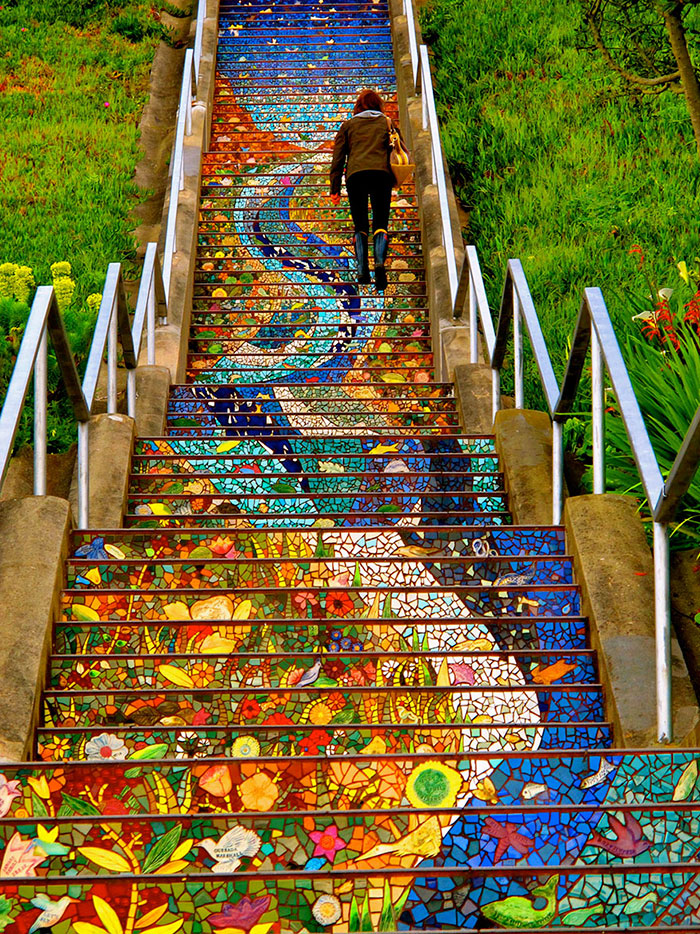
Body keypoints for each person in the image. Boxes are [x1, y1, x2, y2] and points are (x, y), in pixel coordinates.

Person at [329, 89, 407, 292]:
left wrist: (334, 188)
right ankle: (380, 263)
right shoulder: (387, 123)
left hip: (356, 177)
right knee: (381, 222)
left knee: (360, 224)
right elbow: (399, 149)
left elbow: (338, 158)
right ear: (378, 105)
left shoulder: (348, 125)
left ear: (358, 106)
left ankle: (362, 269)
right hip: (381, 175)